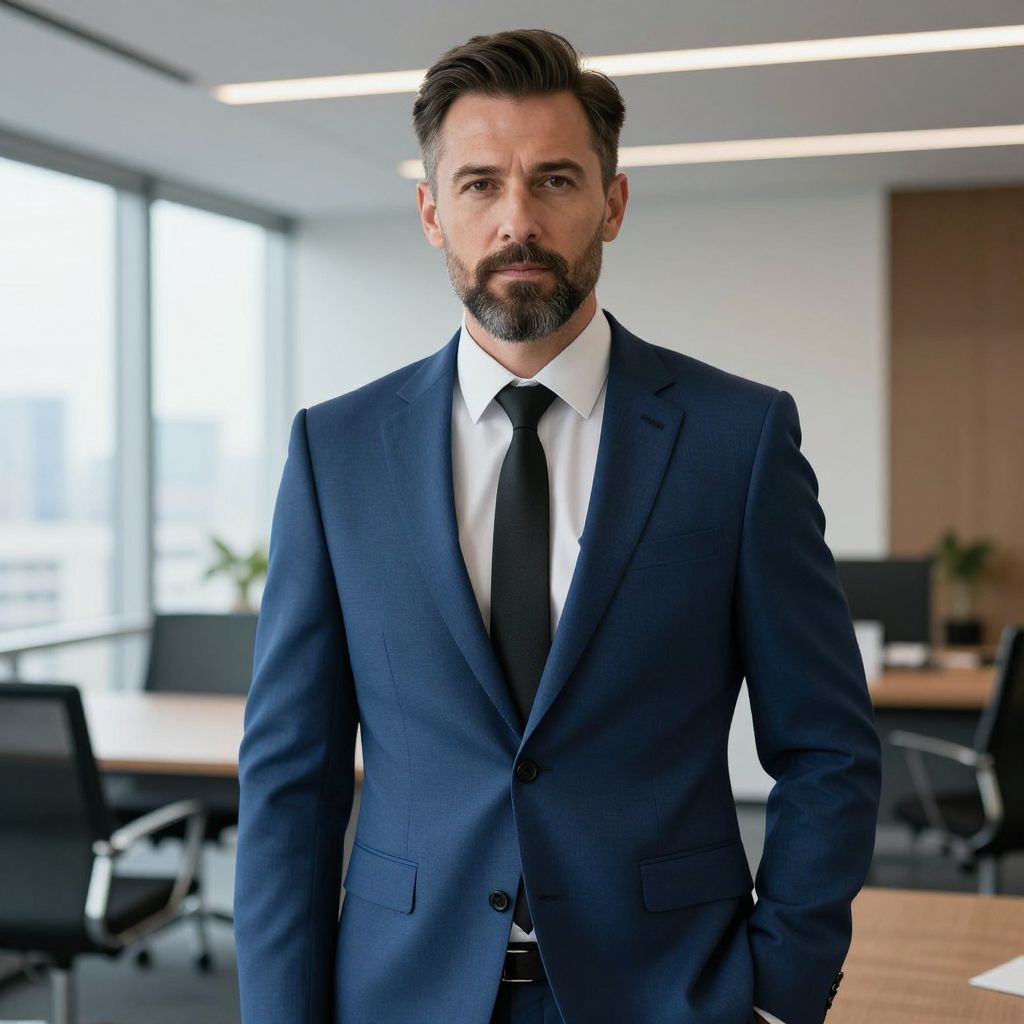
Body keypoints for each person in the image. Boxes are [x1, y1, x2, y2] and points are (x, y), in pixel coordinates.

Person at [234, 27, 882, 1024]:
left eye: (556, 182)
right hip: (400, 990)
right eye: (480, 185)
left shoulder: (736, 439)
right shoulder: (337, 451)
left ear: (612, 204)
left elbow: (827, 746)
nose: (516, 221)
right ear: (430, 211)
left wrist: (780, 993)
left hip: (671, 989)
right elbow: (291, 777)